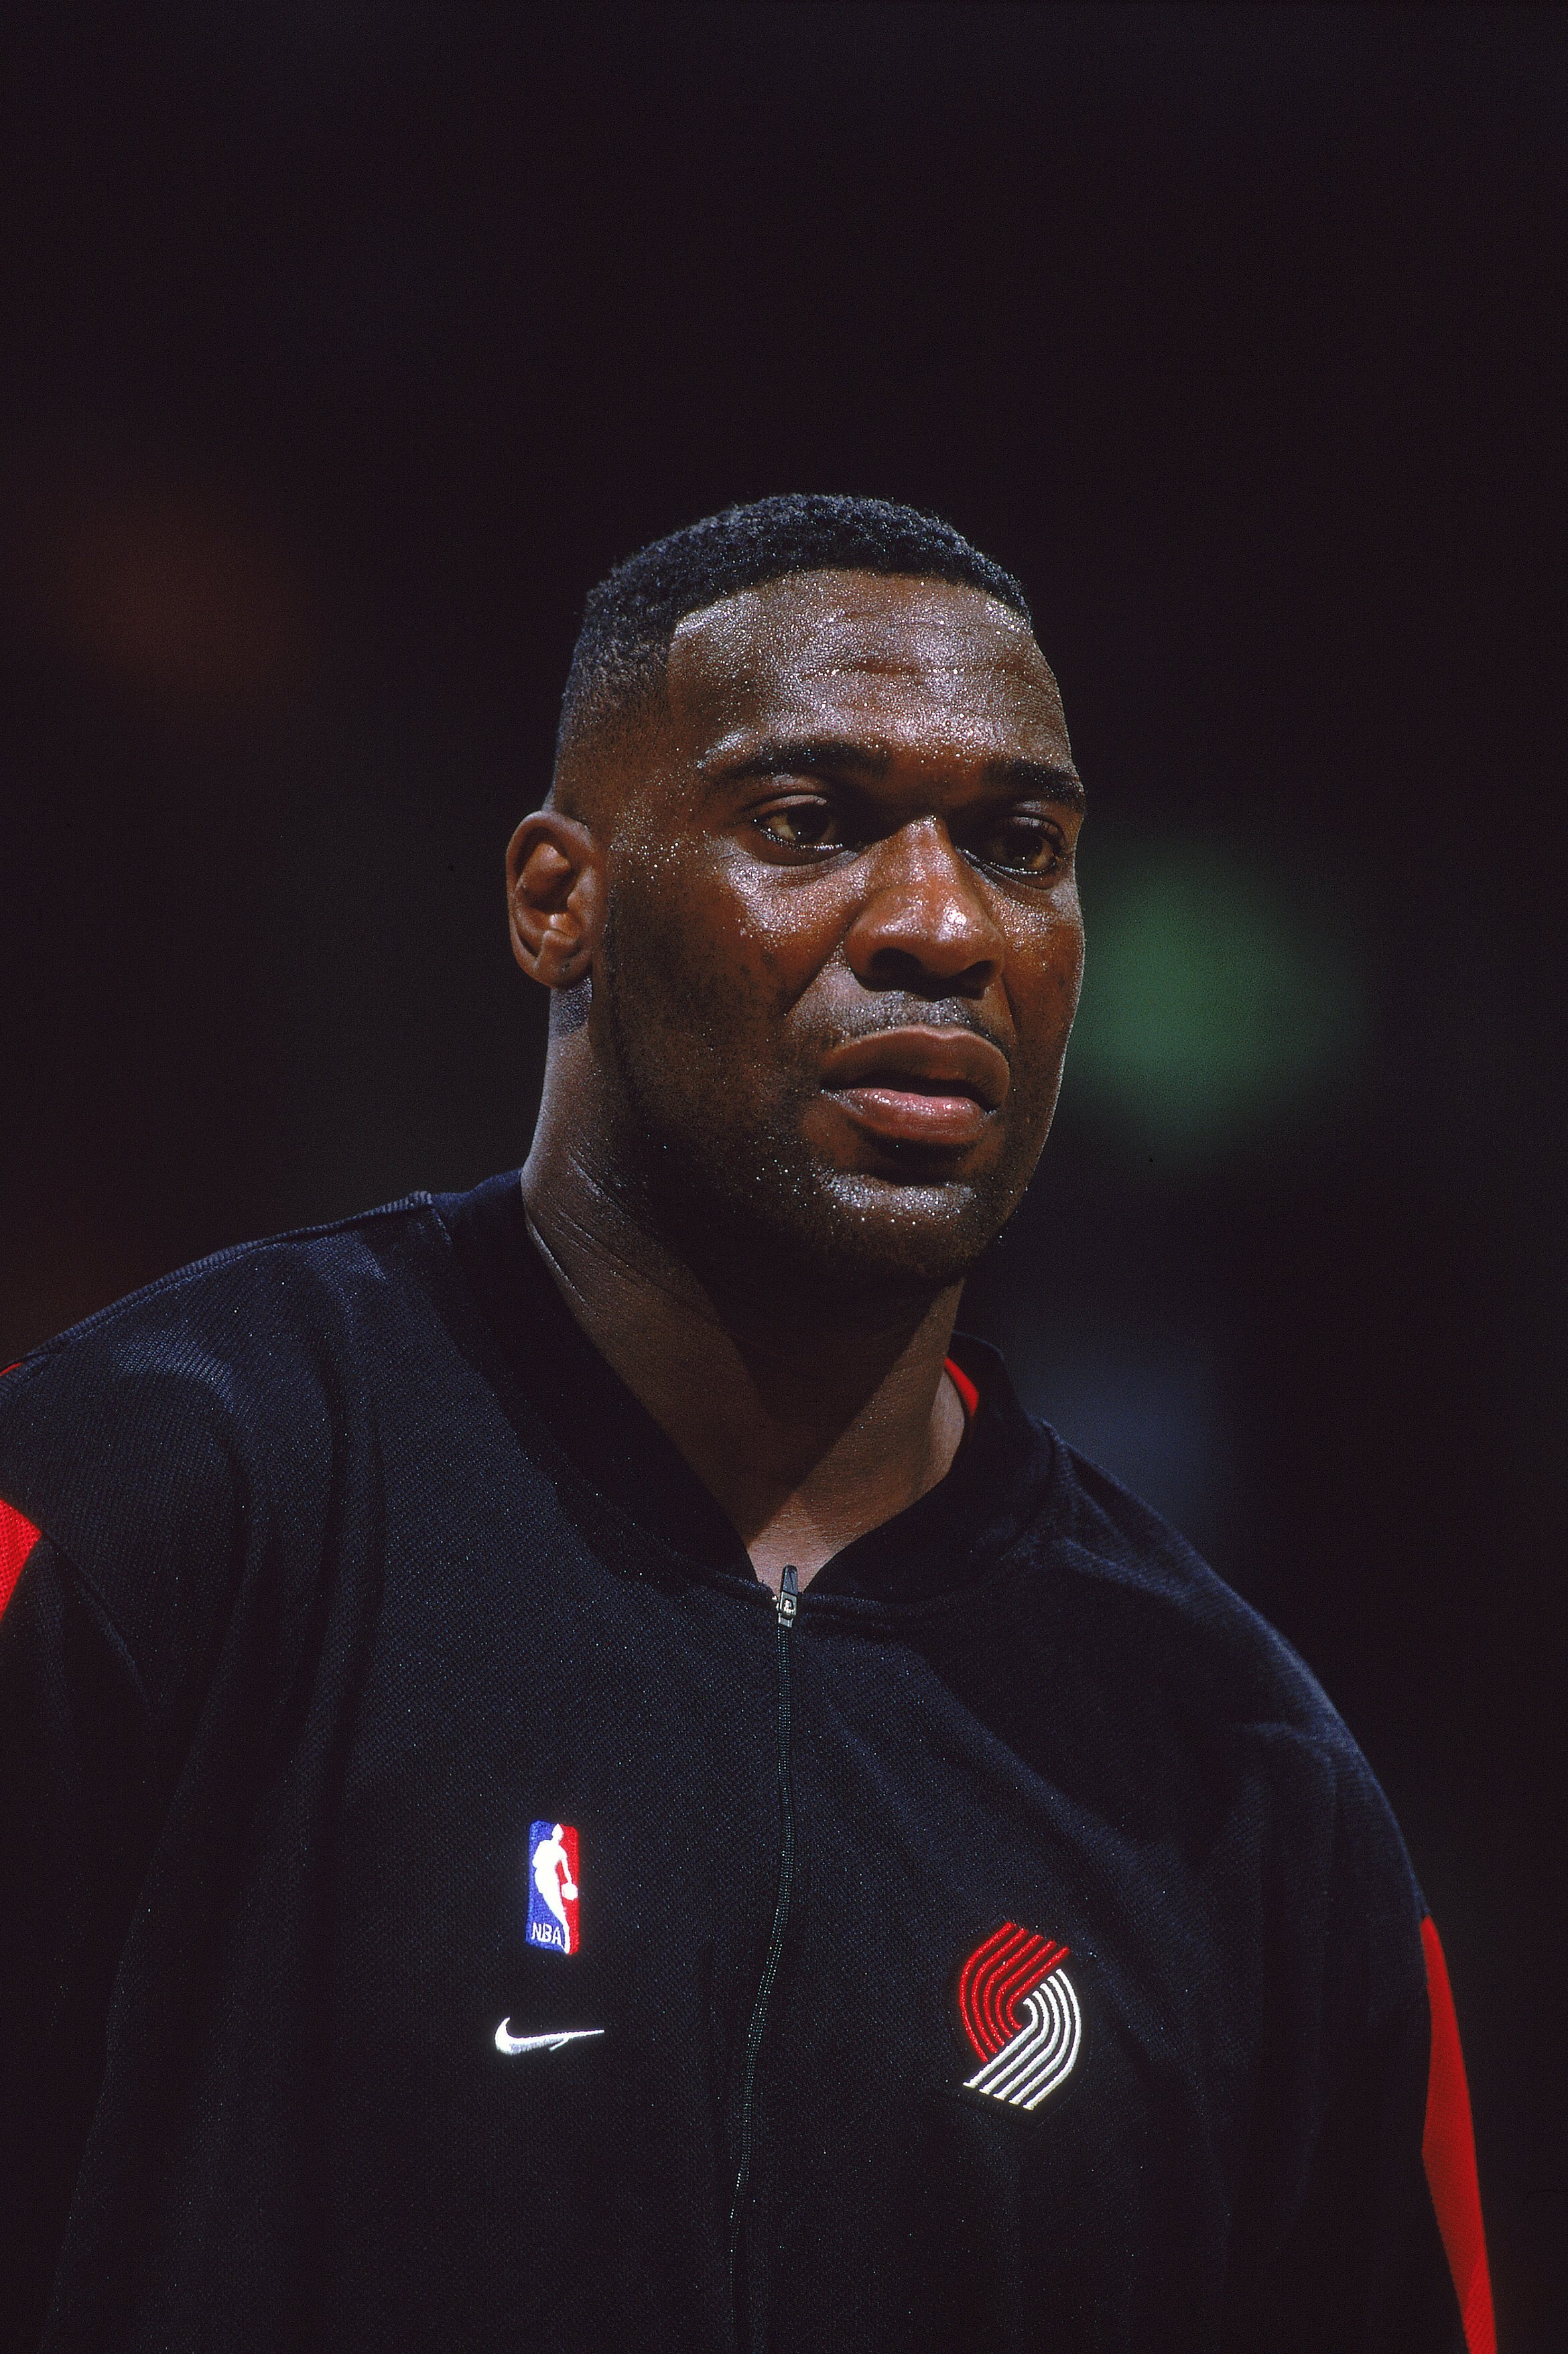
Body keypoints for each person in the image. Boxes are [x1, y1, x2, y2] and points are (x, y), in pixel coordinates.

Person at [0, 495, 1493, 2352]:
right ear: (561, 901)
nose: (944, 924)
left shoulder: (1243, 1779)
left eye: (1019, 844)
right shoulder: (161, 1491)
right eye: (814, 822)